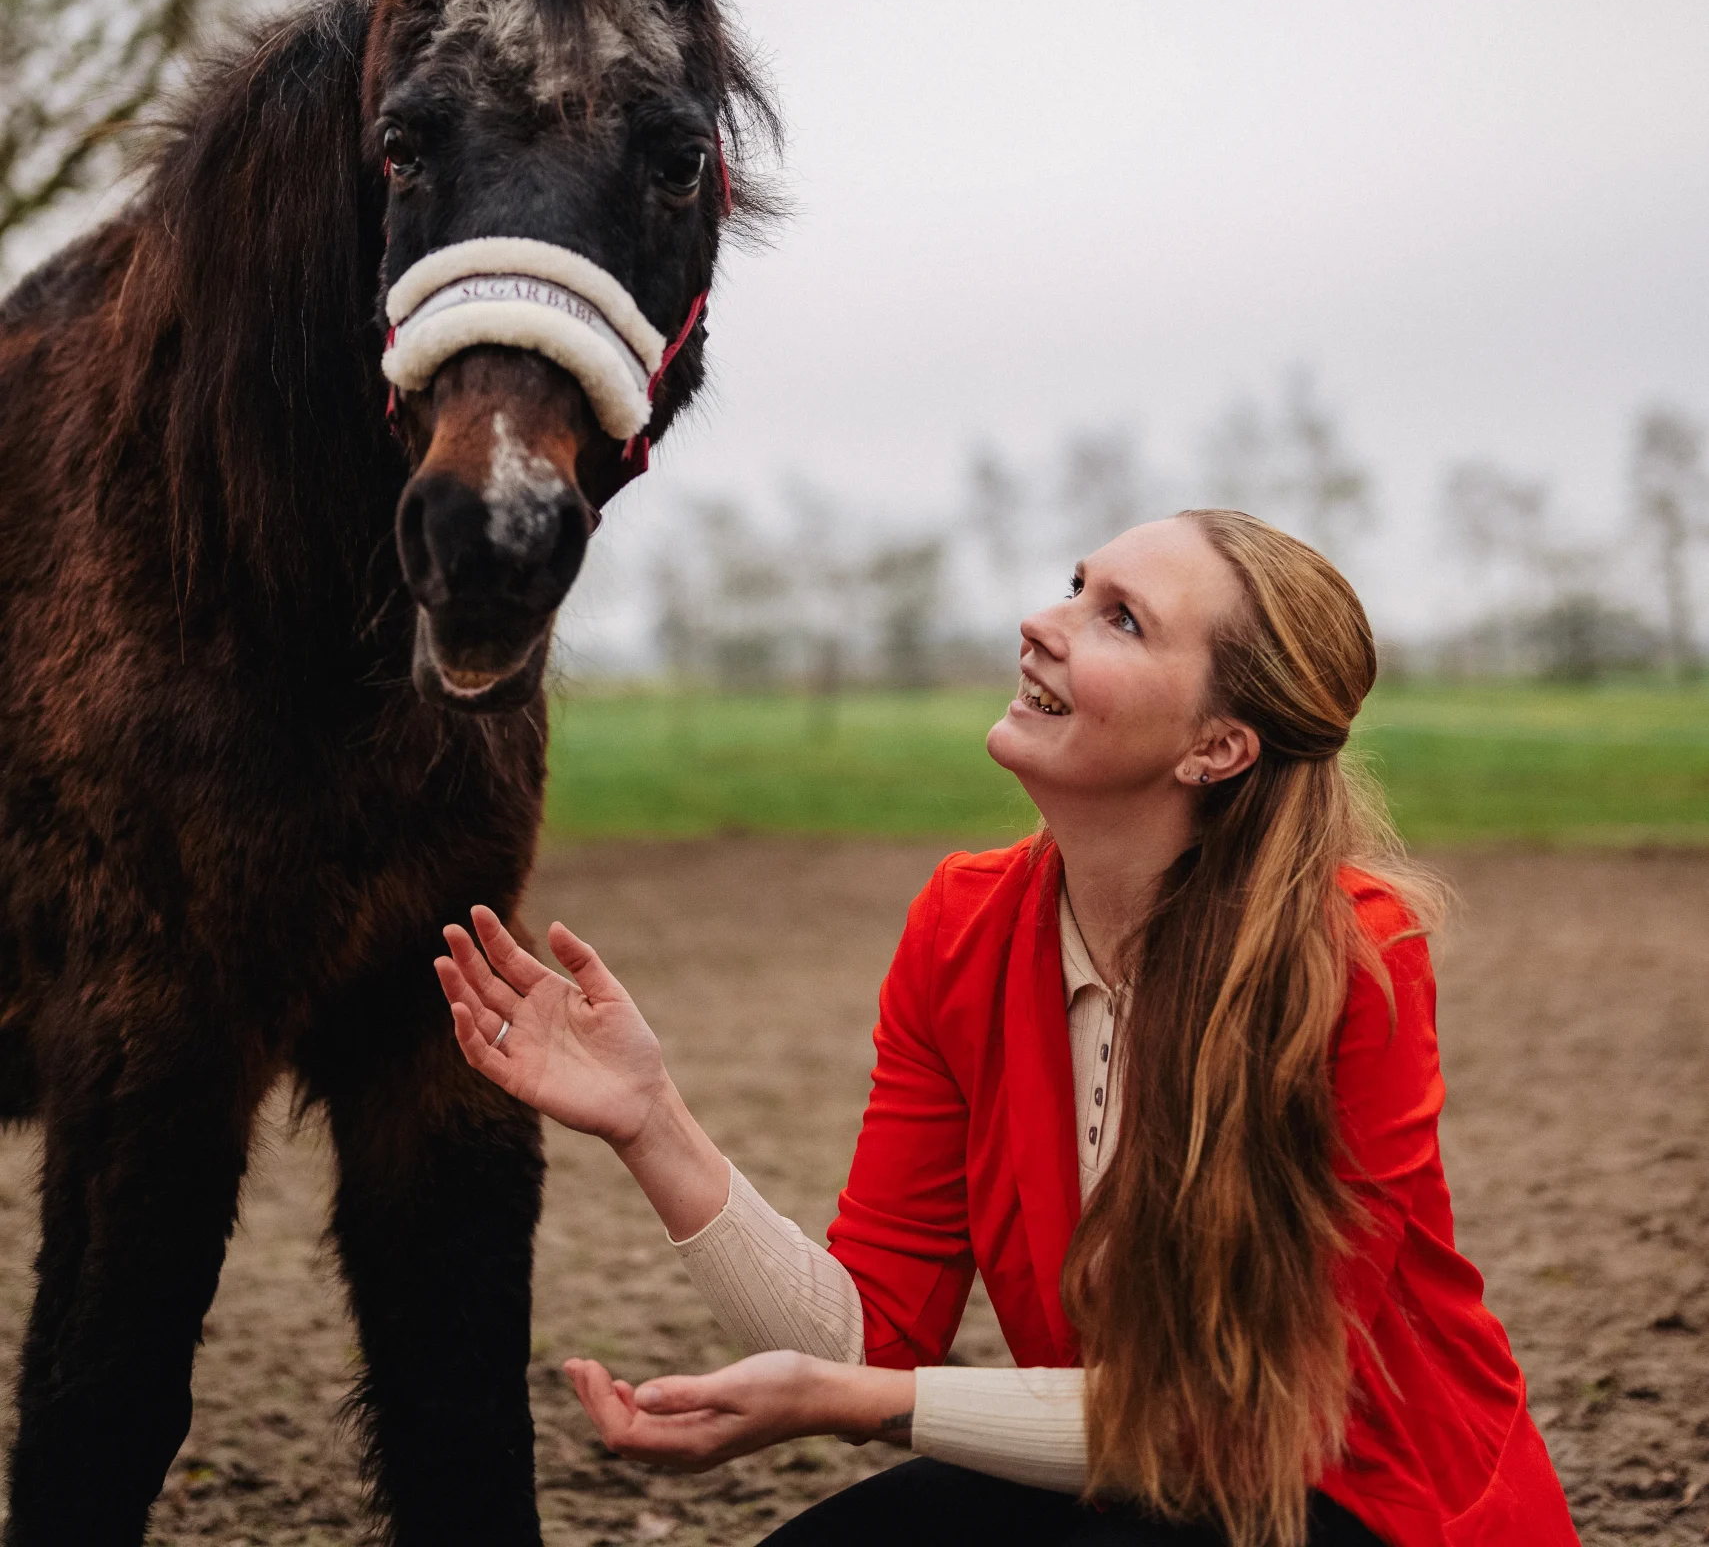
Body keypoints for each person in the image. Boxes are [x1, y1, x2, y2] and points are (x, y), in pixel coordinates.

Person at [435, 511, 1579, 1547]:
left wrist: (870, 1405)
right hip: (1122, 1471)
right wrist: (651, 1122)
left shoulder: (1351, 960)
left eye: (1117, 619)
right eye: (1075, 585)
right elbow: (870, 1345)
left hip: (1360, 1500)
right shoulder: (963, 927)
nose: (1042, 621)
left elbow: (1232, 1421)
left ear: (1216, 746)